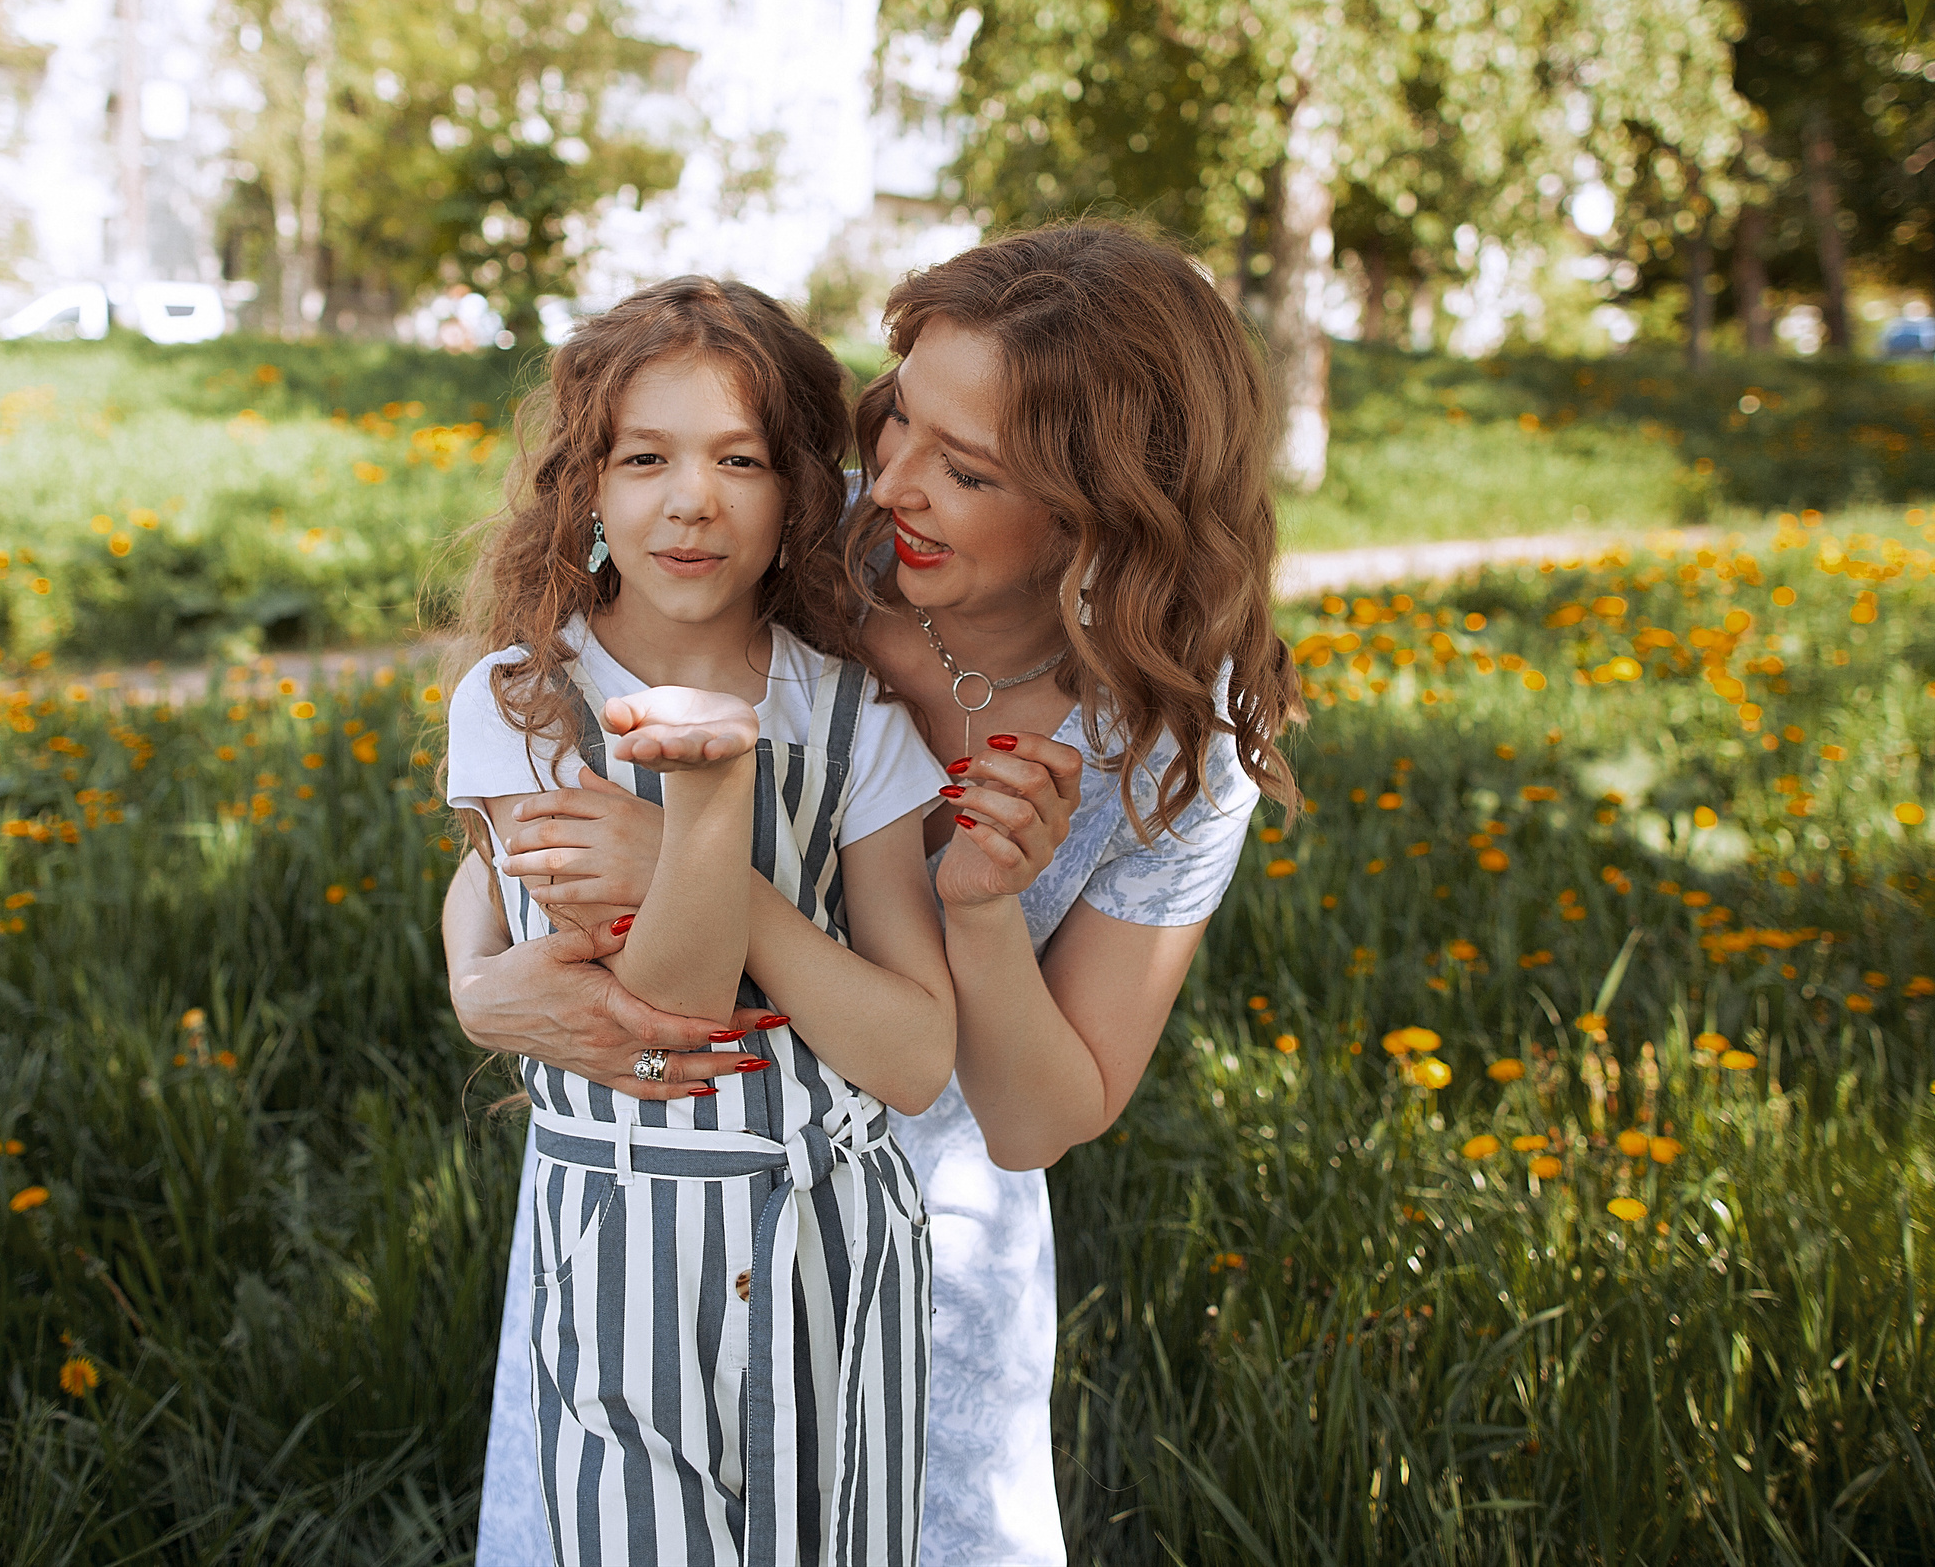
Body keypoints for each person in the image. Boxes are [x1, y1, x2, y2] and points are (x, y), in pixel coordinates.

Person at [452, 223, 1301, 1564]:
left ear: (1102, 510)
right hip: (657, 1212)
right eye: (896, 418)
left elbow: (1032, 1119)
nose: (887, 483)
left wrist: (977, 914)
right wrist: (477, 975)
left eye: (964, 469)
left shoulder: (1171, 752)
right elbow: (541, 777)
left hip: (929, 1264)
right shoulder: (796, 561)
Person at [440, 276, 958, 1566]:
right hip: (614, 1238)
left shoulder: (855, 722)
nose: (693, 500)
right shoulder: (521, 707)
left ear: (799, 495)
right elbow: (659, 1018)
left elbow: (908, 1057)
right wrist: (712, 801)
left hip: (829, 1243)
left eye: (741, 459)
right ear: (589, 490)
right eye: (646, 457)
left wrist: (701, 829)